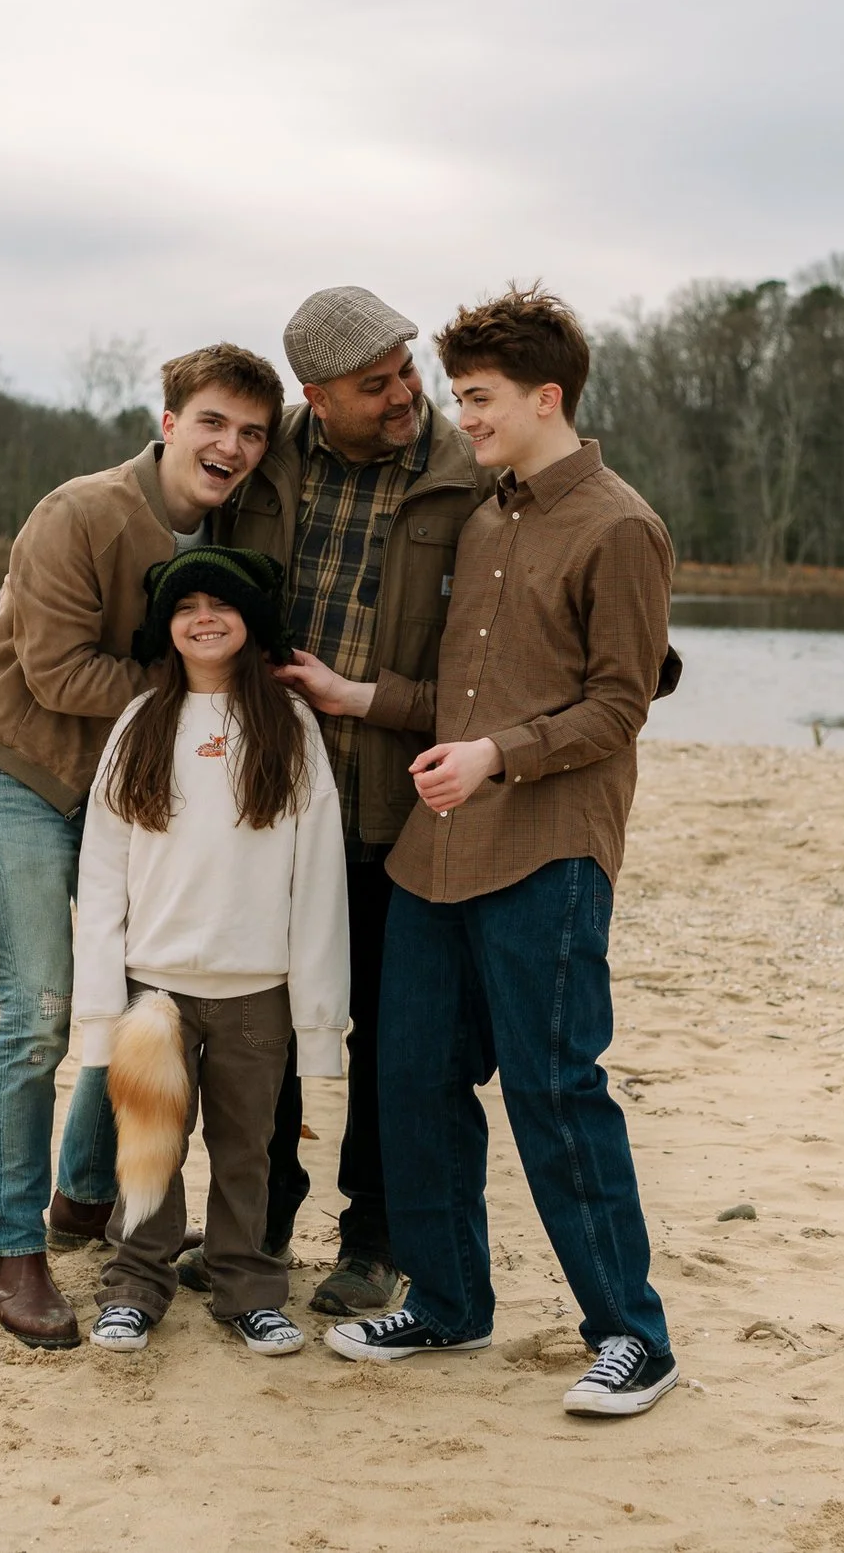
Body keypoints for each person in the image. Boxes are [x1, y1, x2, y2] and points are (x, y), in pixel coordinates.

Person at [297, 288, 682, 1417]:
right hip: (437, 851)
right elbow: (455, 693)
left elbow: (619, 706)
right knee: (411, 1076)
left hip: (549, 849)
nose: (457, 416)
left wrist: (496, 759)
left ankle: (631, 1338)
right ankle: (450, 1303)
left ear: (545, 399)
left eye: (476, 398)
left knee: (556, 1089)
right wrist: (350, 692)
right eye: (457, 395)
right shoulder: (483, 516)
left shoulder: (623, 527)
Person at [0, 344, 279, 1348]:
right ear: (170, 418)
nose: (231, 446)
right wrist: (187, 692)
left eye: (254, 434)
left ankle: (85, 1198)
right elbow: (54, 674)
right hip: (29, 774)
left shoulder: (224, 531)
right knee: (44, 1013)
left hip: (132, 792)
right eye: (215, 422)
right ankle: (14, 1249)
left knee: (134, 1003)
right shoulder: (80, 513)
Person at [194, 285, 489, 1318]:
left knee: (385, 1028)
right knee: (255, 1017)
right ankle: (259, 1220)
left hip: (397, 799)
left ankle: (372, 1238)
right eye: (378, 384)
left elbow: (493, 666)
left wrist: (374, 702)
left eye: (406, 370)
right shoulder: (259, 462)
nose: (407, 392)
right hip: (264, 794)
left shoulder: (466, 477)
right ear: (316, 397)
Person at [73, 547, 350, 1356]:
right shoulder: (140, 723)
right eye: (186, 605)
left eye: (221, 605)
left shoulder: (288, 727)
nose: (204, 617)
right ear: (167, 625)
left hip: (257, 987)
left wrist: (318, 1017)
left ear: (249, 624)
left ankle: (246, 1287)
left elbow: (318, 875)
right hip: (152, 986)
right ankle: (136, 1284)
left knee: (245, 1152)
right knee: (150, 1148)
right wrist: (100, 1007)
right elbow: (103, 869)